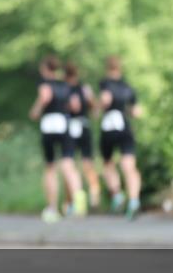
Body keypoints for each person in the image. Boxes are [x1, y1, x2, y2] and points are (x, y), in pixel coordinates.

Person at [28, 55, 86, 222]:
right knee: (68, 163)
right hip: (65, 123)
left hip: (50, 124)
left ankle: (52, 207)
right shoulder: (65, 84)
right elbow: (75, 105)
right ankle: (78, 197)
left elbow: (45, 97)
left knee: (50, 167)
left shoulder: (45, 84)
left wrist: (35, 111)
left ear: (45, 69)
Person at [99, 55, 143, 220]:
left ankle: (117, 194)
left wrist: (98, 107)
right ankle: (133, 200)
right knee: (129, 166)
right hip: (125, 127)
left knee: (108, 163)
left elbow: (104, 101)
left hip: (109, 127)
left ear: (107, 68)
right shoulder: (128, 87)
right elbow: (137, 112)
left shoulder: (105, 84)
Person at [65, 61, 102, 210]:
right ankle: (94, 194)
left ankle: (71, 202)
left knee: (69, 166)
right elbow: (95, 110)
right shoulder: (85, 89)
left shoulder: (64, 89)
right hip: (84, 125)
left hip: (70, 128)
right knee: (87, 164)